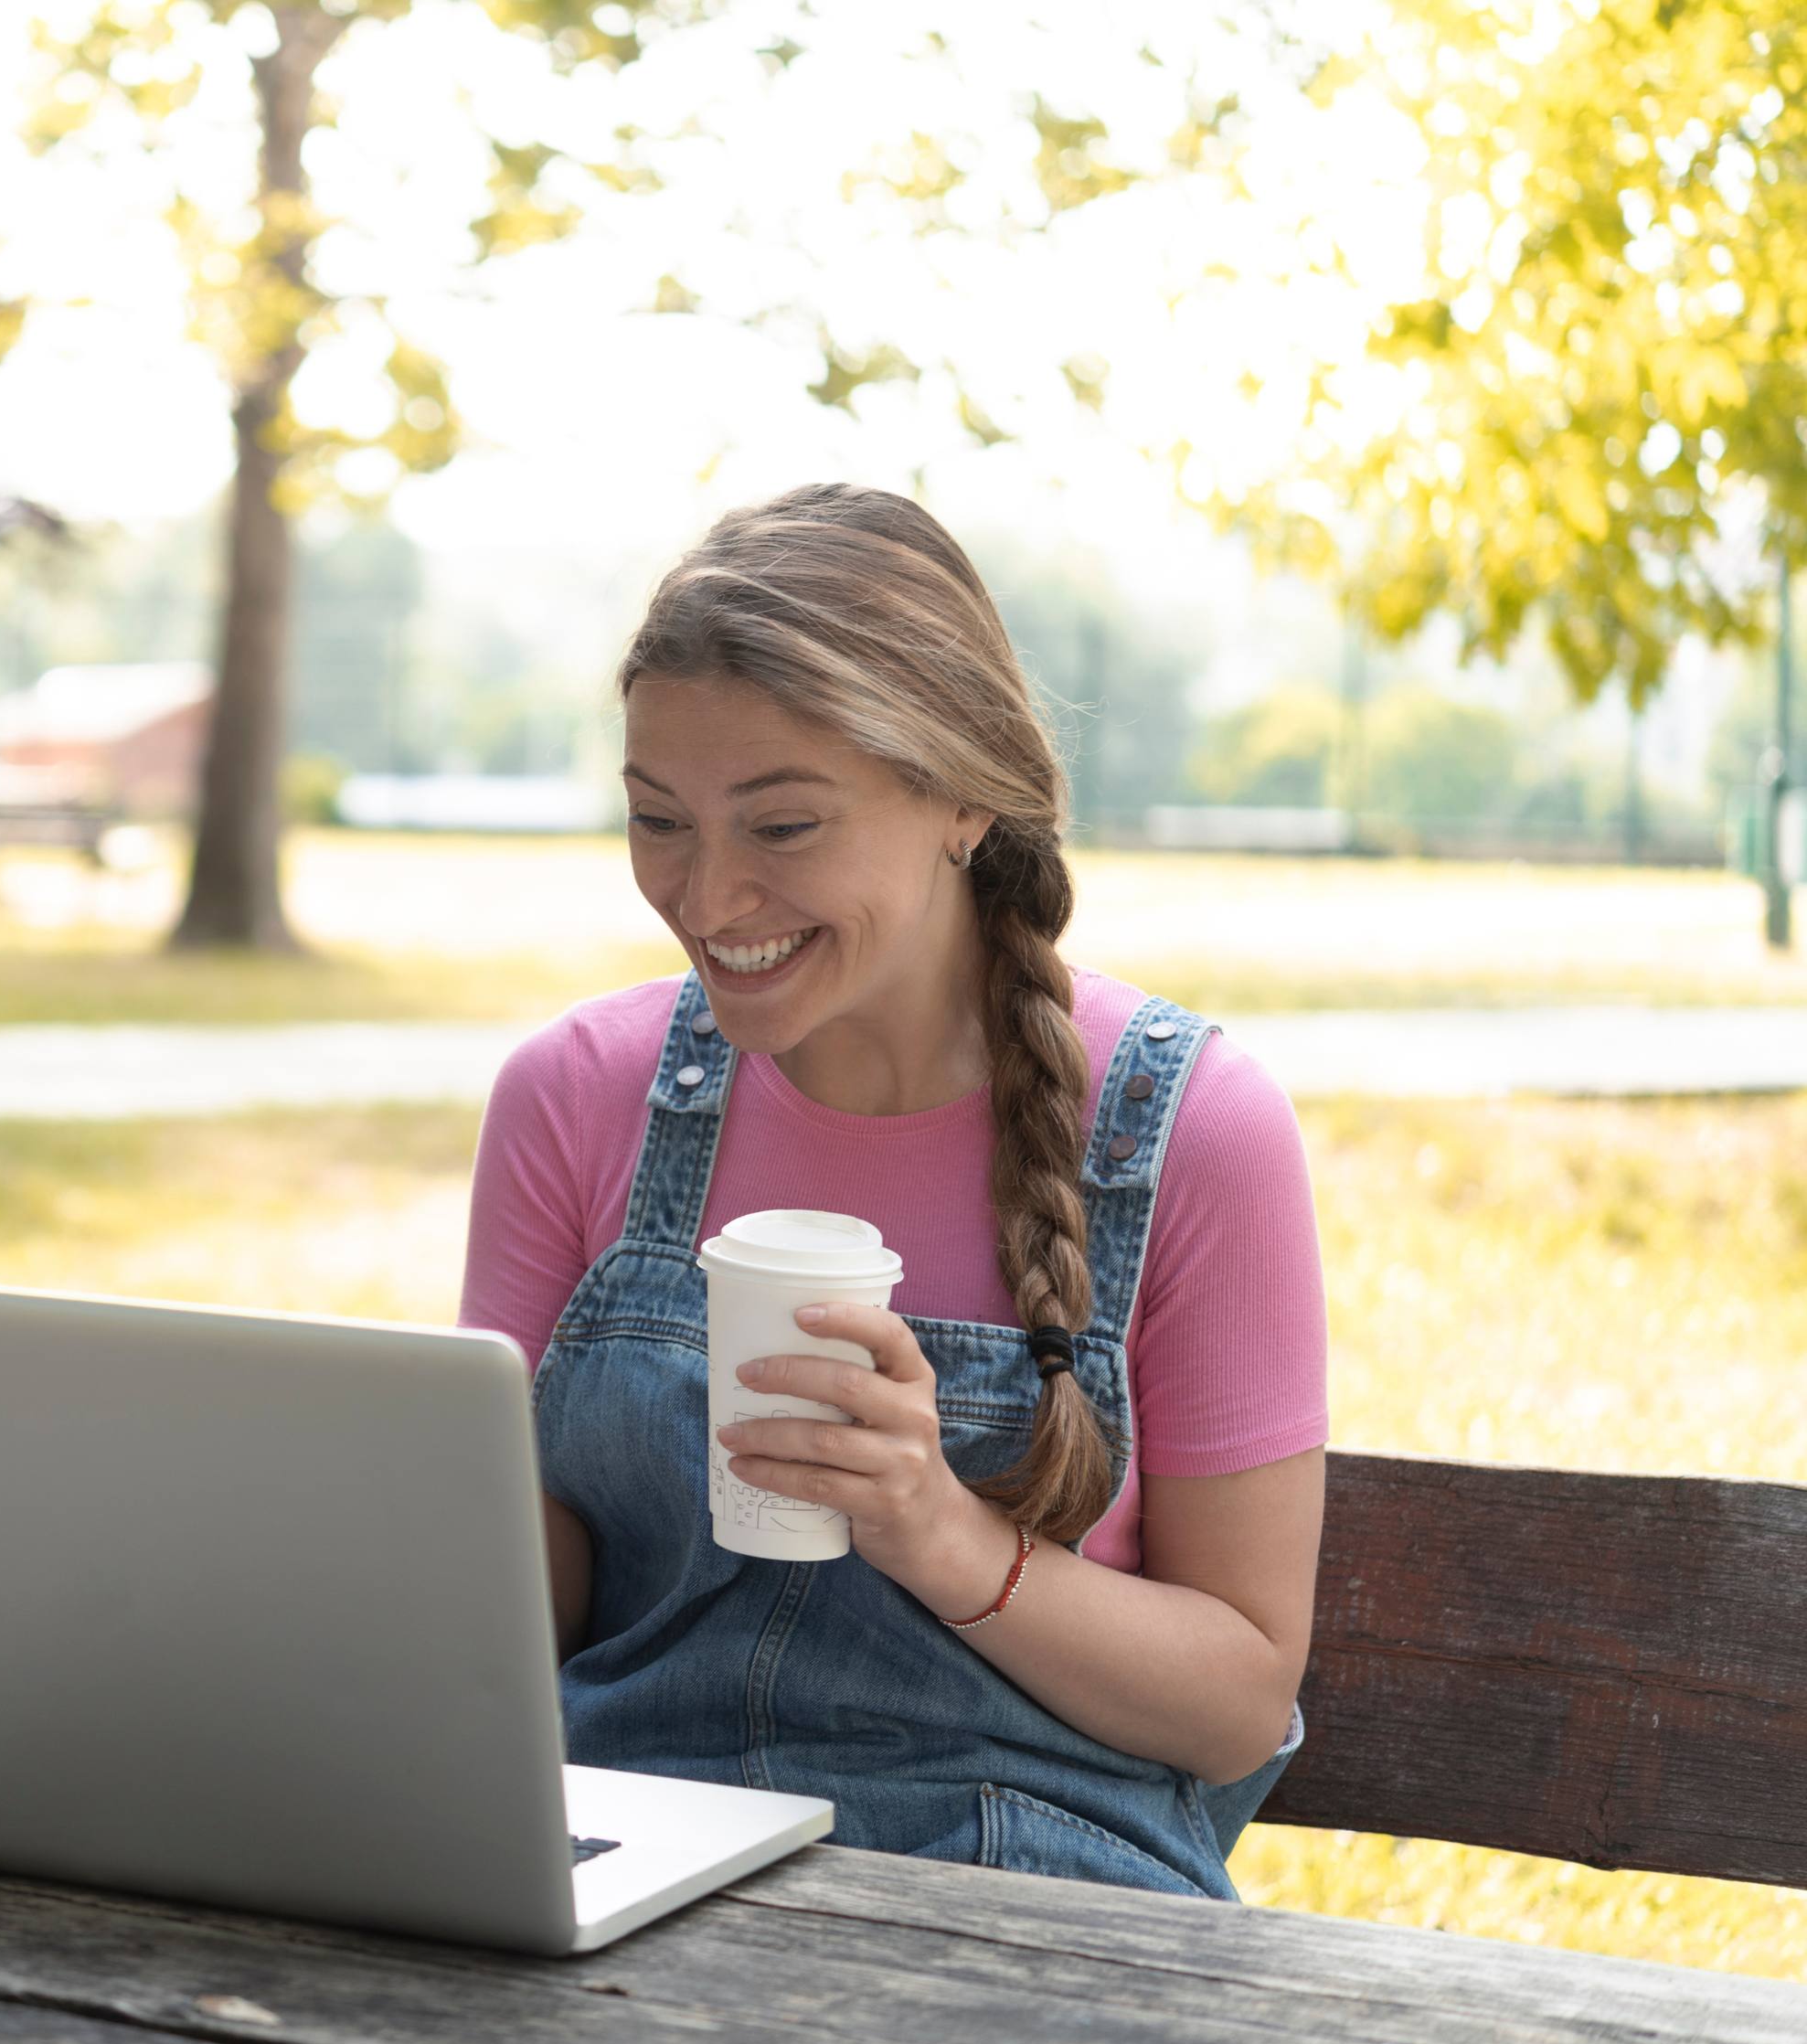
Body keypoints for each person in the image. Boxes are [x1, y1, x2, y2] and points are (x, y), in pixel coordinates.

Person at [459, 484, 1327, 1897]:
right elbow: (520, 1617)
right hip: (632, 1860)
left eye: (784, 827)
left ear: (965, 795)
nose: (710, 897)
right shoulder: (570, 1097)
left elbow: (1235, 1702)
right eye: (659, 820)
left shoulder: (1188, 1131)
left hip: (1027, 1893)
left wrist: (935, 1527)